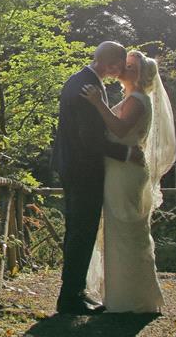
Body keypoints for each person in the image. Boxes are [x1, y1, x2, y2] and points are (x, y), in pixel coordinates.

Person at [79, 50, 176, 313]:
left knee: (125, 230)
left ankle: (130, 299)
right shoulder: (132, 98)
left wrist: (98, 103)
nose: (123, 68)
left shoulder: (137, 99)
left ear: (141, 75)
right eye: (125, 64)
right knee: (120, 230)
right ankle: (125, 295)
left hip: (125, 172)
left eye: (130, 67)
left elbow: (120, 130)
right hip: (121, 168)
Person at [51, 41, 142, 315]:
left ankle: (73, 292)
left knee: (76, 230)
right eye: (119, 65)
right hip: (82, 168)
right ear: (109, 64)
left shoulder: (80, 80)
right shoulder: (87, 86)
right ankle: (70, 298)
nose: (120, 71)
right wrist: (125, 152)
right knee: (82, 231)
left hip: (72, 165)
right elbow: (89, 139)